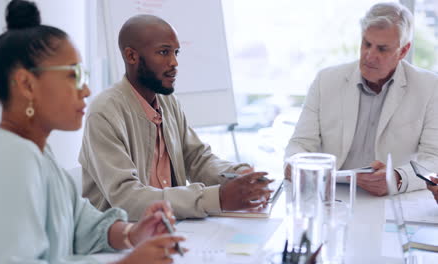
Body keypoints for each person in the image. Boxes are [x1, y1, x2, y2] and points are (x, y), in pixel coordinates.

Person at [0, 1, 185, 263]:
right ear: (26, 84)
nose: (86, 90)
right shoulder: (10, 157)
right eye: (74, 76)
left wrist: (134, 233)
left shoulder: (36, 152)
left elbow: (84, 226)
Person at [79, 14, 273, 220]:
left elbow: (197, 159)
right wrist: (216, 198)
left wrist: (237, 175)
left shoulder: (168, 102)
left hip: (172, 227)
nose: (174, 62)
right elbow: (127, 198)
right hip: (120, 238)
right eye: (164, 52)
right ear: (131, 56)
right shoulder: (105, 112)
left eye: (176, 53)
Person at [284, 2, 438, 196]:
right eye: (367, 44)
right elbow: (300, 144)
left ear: (404, 51)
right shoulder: (326, 80)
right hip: (330, 193)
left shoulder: (429, 87)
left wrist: (398, 178)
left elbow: (434, 158)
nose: (370, 56)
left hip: (392, 200)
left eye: (382, 49)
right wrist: (294, 163)